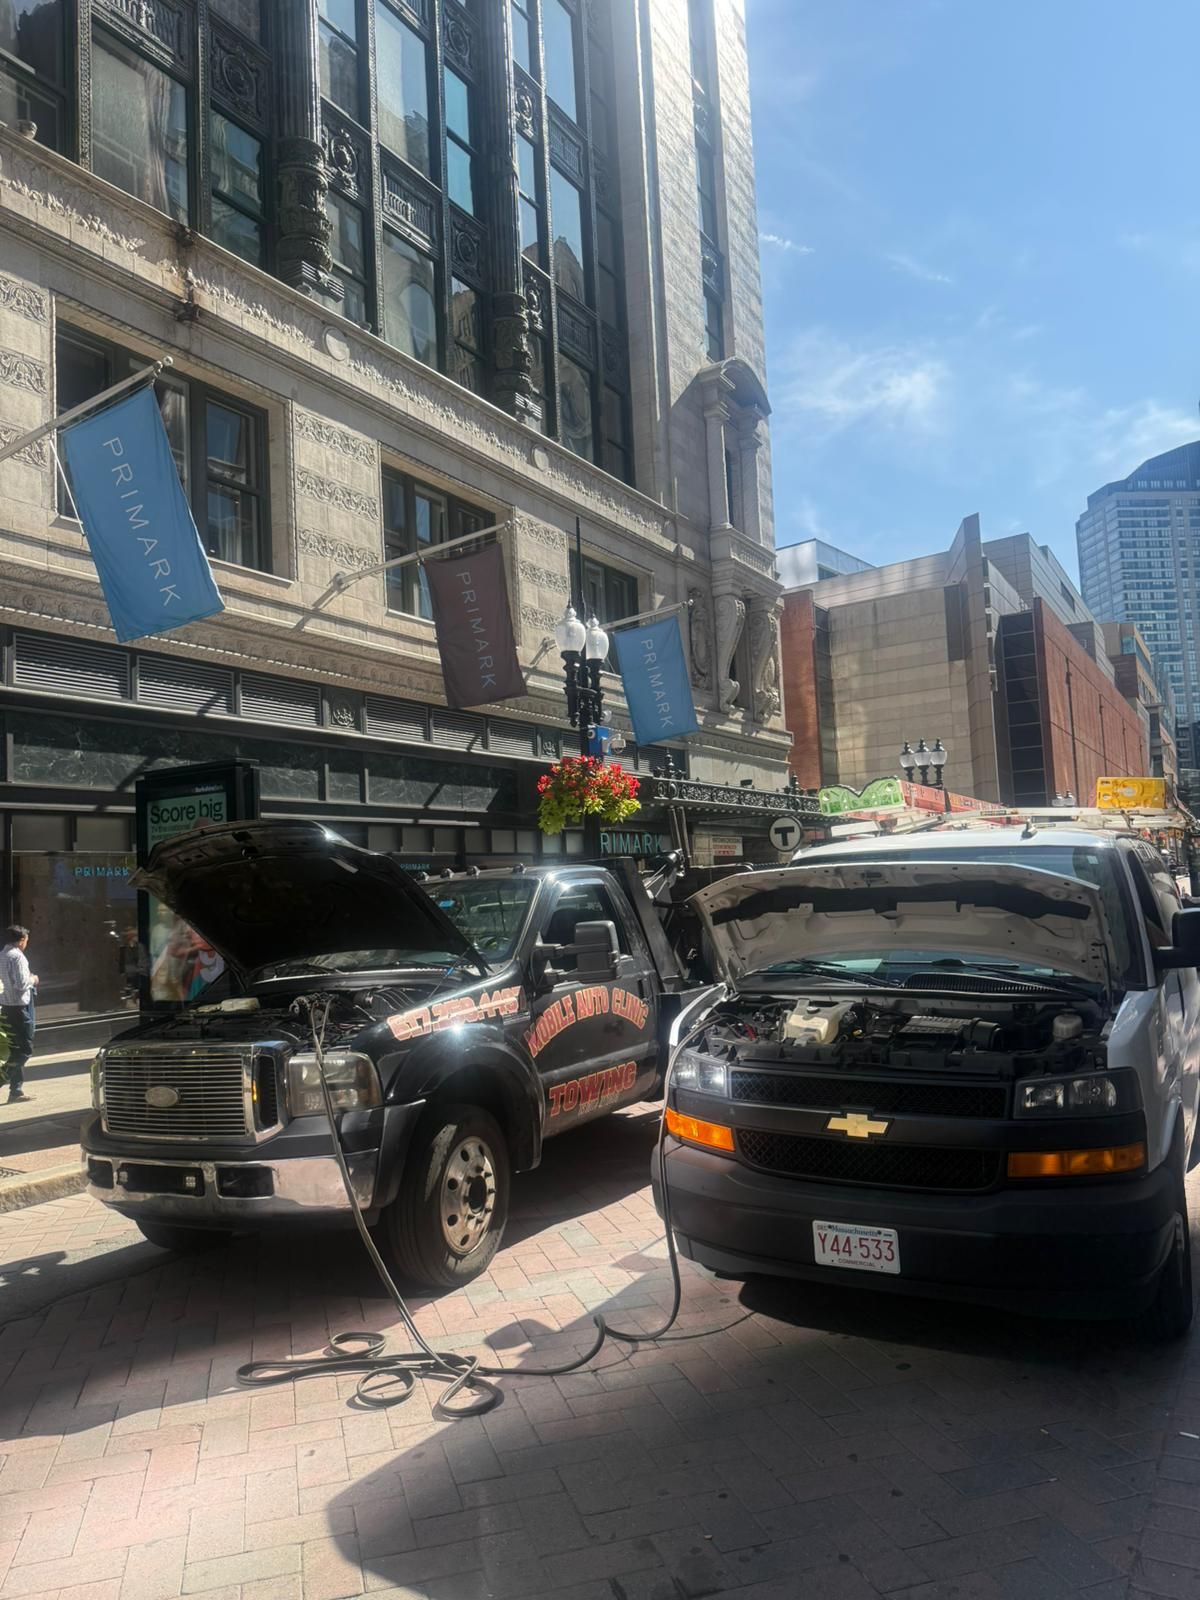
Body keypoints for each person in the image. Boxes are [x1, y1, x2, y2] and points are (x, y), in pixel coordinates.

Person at [1, 924, 38, 1105]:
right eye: (26, 941)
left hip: (6, 1007)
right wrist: (33, 979)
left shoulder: (2, 955)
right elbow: (21, 984)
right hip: (19, 1008)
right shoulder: (17, 957)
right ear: (22, 940)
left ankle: (16, 1091)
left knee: (16, 1049)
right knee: (24, 1050)